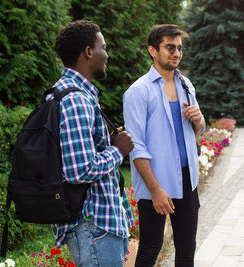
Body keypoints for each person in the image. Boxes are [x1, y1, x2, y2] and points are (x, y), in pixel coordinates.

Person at [51, 20, 135, 266]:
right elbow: (80, 170)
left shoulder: (68, 92)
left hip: (94, 226)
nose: (106, 54)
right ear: (89, 51)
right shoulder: (76, 99)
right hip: (93, 224)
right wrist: (118, 150)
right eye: (103, 47)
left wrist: (107, 146)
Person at [123, 24, 205, 267]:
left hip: (187, 179)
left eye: (179, 48)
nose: (176, 53)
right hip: (155, 182)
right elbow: (135, 146)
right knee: (149, 249)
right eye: (170, 47)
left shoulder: (186, 85)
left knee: (187, 248)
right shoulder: (138, 91)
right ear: (152, 50)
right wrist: (155, 190)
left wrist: (199, 119)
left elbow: (198, 129)